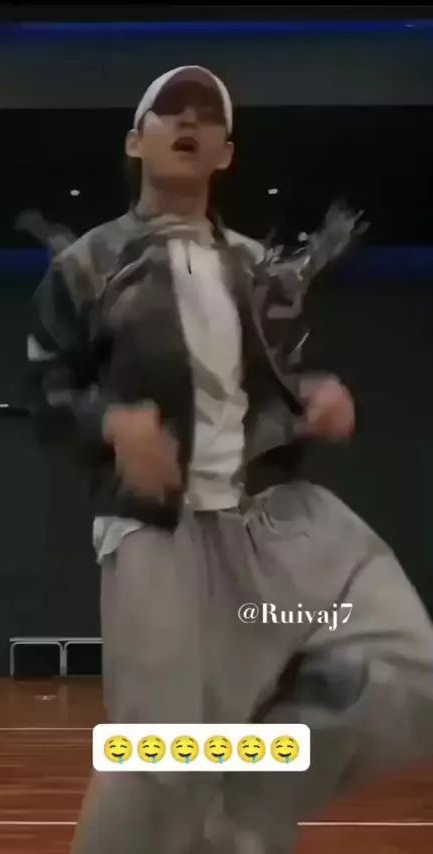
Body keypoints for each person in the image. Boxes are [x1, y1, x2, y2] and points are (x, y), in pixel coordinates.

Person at [26, 66, 433, 854]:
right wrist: (112, 423)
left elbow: (271, 386)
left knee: (405, 671)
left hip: (275, 526)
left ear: (226, 153)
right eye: (170, 111)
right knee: (159, 758)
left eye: (207, 115)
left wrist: (313, 397)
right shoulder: (85, 264)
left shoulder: (258, 268)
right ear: (135, 142)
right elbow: (45, 388)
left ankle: (244, 813)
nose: (190, 121)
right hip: (162, 535)